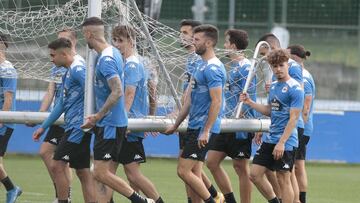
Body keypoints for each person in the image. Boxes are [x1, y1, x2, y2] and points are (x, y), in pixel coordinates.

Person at [80, 17, 154, 203]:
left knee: (102, 172)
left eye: (84, 35)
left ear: (88, 34)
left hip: (111, 124)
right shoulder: (113, 53)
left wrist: (97, 115)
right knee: (103, 173)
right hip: (111, 123)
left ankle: (141, 200)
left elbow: (119, 91)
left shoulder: (108, 59)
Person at [164, 24, 226, 203]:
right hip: (193, 126)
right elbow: (189, 101)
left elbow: (217, 101)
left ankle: (214, 199)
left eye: (196, 40)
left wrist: (206, 130)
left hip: (203, 128)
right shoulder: (200, 66)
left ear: (208, 43)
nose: (193, 42)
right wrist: (176, 125)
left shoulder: (213, 68)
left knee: (183, 170)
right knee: (193, 172)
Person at [32, 38, 96, 203]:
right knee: (82, 171)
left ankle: (62, 201)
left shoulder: (78, 70)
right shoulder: (69, 70)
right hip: (74, 127)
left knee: (57, 165)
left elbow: (95, 92)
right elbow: (61, 103)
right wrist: (44, 126)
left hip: (78, 128)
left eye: (53, 55)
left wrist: (97, 116)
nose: (51, 59)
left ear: (64, 53)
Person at [240, 49, 304, 203]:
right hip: (271, 138)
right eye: (275, 66)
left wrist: (281, 143)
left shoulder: (295, 88)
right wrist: (250, 103)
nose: (278, 69)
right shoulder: (274, 86)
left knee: (283, 179)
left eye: (281, 65)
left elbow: (293, 118)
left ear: (287, 65)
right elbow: (270, 110)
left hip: (286, 141)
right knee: (255, 174)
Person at [111, 24, 164, 203]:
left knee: (132, 175)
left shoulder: (133, 64)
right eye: (115, 40)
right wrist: (150, 115)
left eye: (121, 40)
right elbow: (151, 91)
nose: (117, 44)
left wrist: (123, 120)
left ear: (131, 41)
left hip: (129, 126)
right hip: (129, 123)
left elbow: (130, 93)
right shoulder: (133, 62)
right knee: (107, 173)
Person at [27, 29, 76, 202]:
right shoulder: (56, 66)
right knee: (48, 154)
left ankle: (63, 196)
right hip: (58, 117)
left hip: (71, 119)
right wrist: (40, 116)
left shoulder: (79, 66)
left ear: (71, 44)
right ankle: (62, 194)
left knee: (61, 161)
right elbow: (51, 93)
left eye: (62, 40)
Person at [206, 29, 254, 203]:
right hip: (226, 123)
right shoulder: (233, 67)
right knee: (211, 161)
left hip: (239, 126)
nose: (224, 46)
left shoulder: (246, 67)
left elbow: (249, 97)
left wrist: (241, 119)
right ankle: (228, 200)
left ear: (233, 45)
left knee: (240, 167)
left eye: (226, 43)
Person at [288, 45, 315, 203]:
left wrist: (300, 126)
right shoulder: (300, 73)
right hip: (301, 126)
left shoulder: (302, 76)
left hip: (301, 127)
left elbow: (306, 105)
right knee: (297, 166)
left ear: (292, 56)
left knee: (295, 167)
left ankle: (298, 199)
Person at [0, 32, 22, 203]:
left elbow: (8, 98)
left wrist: (1, 121)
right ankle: (12, 189)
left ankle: (11, 189)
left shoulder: (7, 69)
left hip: (4, 123)